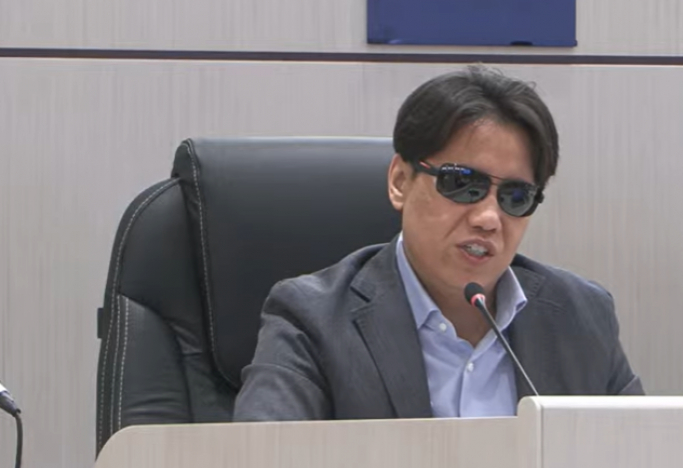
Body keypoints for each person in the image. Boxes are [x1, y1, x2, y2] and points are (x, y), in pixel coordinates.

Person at [233, 65, 643, 422]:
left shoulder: (580, 316)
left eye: (515, 197)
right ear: (400, 181)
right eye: (463, 184)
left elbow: (641, 459)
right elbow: (266, 462)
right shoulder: (313, 319)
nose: (488, 218)